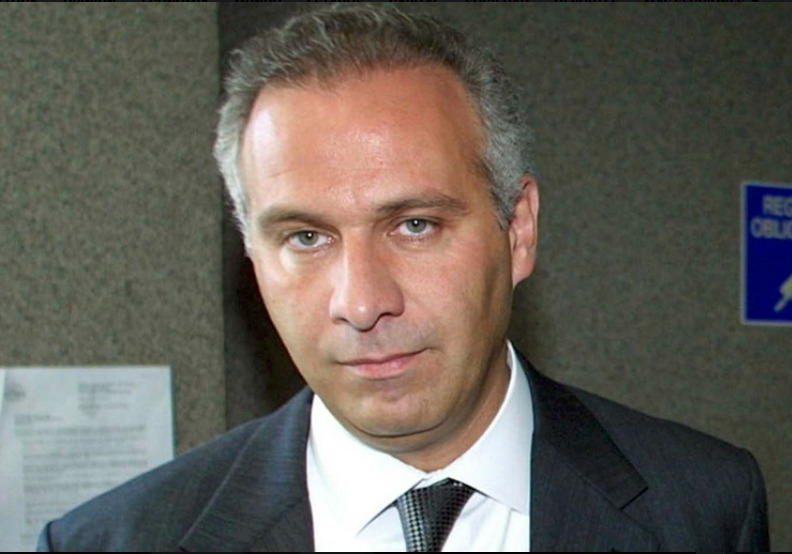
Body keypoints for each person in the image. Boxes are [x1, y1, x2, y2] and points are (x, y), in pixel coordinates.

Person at [38, 3, 769, 552]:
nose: (361, 303)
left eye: (415, 225)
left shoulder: (704, 506)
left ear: (517, 230)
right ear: (254, 260)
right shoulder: (111, 541)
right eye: (305, 237)